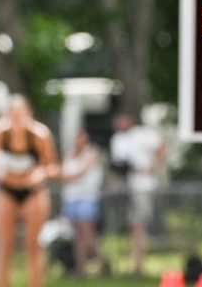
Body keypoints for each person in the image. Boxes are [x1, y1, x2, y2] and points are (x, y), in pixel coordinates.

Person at [0, 96, 58, 287]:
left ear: (28, 114)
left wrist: (40, 174)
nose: (16, 119)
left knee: (33, 247)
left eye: (20, 114)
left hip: (33, 192)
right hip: (7, 190)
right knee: (4, 246)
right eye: (12, 115)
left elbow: (52, 166)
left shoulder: (39, 135)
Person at [109, 111, 165, 274]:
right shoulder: (117, 140)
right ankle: (126, 262)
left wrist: (153, 168)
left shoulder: (142, 134)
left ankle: (138, 263)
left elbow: (161, 147)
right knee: (128, 225)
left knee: (138, 224)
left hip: (142, 185)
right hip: (125, 186)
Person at [58, 128, 104, 276]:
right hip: (71, 198)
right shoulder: (70, 156)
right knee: (78, 236)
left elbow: (78, 174)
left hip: (86, 197)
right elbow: (62, 175)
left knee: (87, 233)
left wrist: (68, 177)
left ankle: (101, 261)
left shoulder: (91, 154)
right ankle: (81, 267)